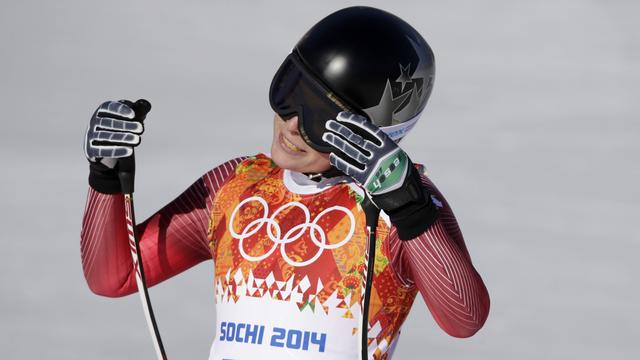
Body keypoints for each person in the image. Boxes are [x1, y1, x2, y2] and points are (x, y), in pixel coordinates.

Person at [80, 6, 489, 360]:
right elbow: (113, 277)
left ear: (377, 132)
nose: (291, 125)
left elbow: (464, 320)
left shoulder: (398, 206)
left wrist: (411, 211)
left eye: (319, 118)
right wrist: (105, 178)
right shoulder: (236, 187)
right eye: (290, 93)